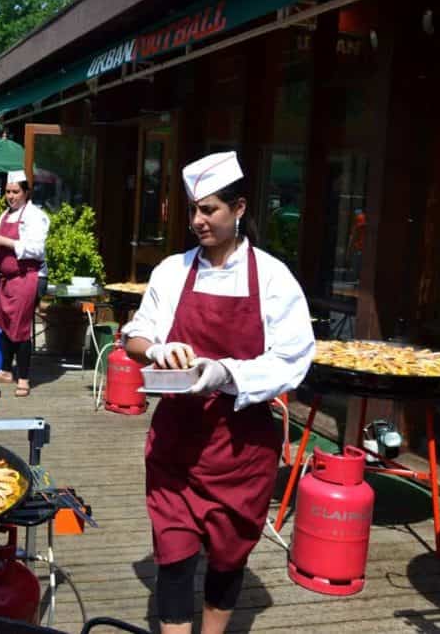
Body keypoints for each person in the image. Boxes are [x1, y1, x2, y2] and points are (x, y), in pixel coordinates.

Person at [121, 151, 315, 634]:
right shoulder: (171, 271)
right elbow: (136, 333)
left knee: (228, 559)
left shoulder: (272, 278)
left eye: (210, 210)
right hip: (176, 444)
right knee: (173, 555)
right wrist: (157, 350)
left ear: (240, 208)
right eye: (193, 210)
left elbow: (293, 358)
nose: (198, 221)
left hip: (240, 447)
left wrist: (225, 373)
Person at [0, 170, 50, 397]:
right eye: (8, 192)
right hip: (7, 278)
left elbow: (37, 249)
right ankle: (5, 370)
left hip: (27, 277)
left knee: (20, 328)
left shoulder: (35, 216)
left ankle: (23, 378)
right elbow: (1, 250)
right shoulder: (4, 216)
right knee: (4, 325)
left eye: (16, 192)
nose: (11, 196)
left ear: (26, 192)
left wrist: (4, 240)